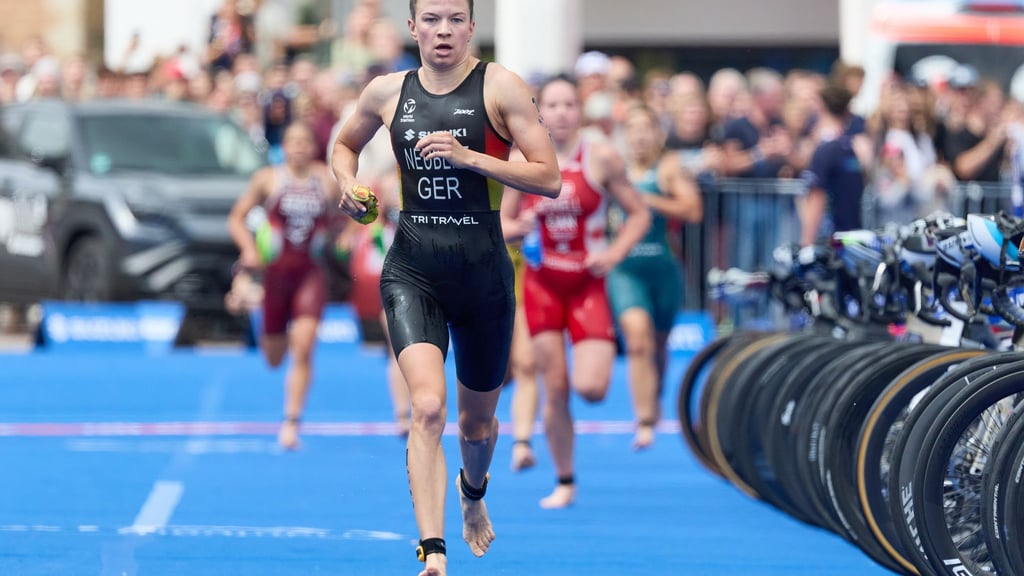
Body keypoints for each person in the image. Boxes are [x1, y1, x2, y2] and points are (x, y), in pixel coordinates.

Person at [331, 1, 561, 574]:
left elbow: (549, 177)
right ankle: (432, 550)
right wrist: (347, 185)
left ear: (471, 28)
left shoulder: (501, 87)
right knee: (427, 407)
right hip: (413, 270)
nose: (443, 30)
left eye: (455, 19)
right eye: (431, 19)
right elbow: (343, 146)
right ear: (412, 27)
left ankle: (473, 493)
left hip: (484, 275)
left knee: (476, 424)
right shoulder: (387, 92)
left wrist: (471, 158)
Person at [503, 74, 650, 510]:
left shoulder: (600, 156)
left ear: (579, 111)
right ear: (539, 112)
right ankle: (565, 479)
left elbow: (639, 215)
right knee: (555, 385)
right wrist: (519, 228)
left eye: (570, 105)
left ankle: (568, 462)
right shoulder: (523, 159)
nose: (562, 113)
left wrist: (616, 252)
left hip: (587, 284)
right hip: (543, 284)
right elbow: (501, 224)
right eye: (553, 105)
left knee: (591, 388)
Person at [227, 122, 339, 450]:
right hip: (275, 276)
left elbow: (341, 219)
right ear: (284, 147)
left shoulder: (325, 181)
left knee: (304, 348)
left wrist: (340, 235)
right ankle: (253, 302)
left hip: (310, 274)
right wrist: (248, 250)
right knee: (274, 358)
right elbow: (236, 218)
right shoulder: (268, 179)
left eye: (306, 141)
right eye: (293, 142)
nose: (300, 147)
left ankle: (291, 422)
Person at [611, 105, 702, 450]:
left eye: (645, 128)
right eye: (632, 129)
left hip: (663, 268)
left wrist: (645, 200)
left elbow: (693, 209)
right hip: (625, 270)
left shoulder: (668, 168)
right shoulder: (613, 168)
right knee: (637, 341)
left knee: (659, 344)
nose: (639, 136)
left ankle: (655, 396)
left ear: (657, 134)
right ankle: (645, 420)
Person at [499, 146, 540, 472]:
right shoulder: (509, 162)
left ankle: (522, 443)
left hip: (531, 278)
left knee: (527, 364)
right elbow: (496, 226)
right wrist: (522, 225)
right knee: (501, 372)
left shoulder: (548, 160)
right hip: (497, 274)